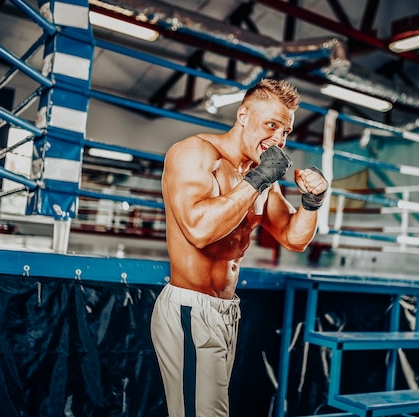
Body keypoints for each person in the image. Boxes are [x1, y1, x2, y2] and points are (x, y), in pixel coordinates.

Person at [150, 78, 328, 417]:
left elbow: (294, 238)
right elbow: (199, 229)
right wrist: (258, 180)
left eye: (285, 132)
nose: (278, 138)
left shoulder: (257, 175)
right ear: (243, 115)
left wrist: (312, 201)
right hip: (190, 309)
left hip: (225, 311)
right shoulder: (195, 153)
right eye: (272, 125)